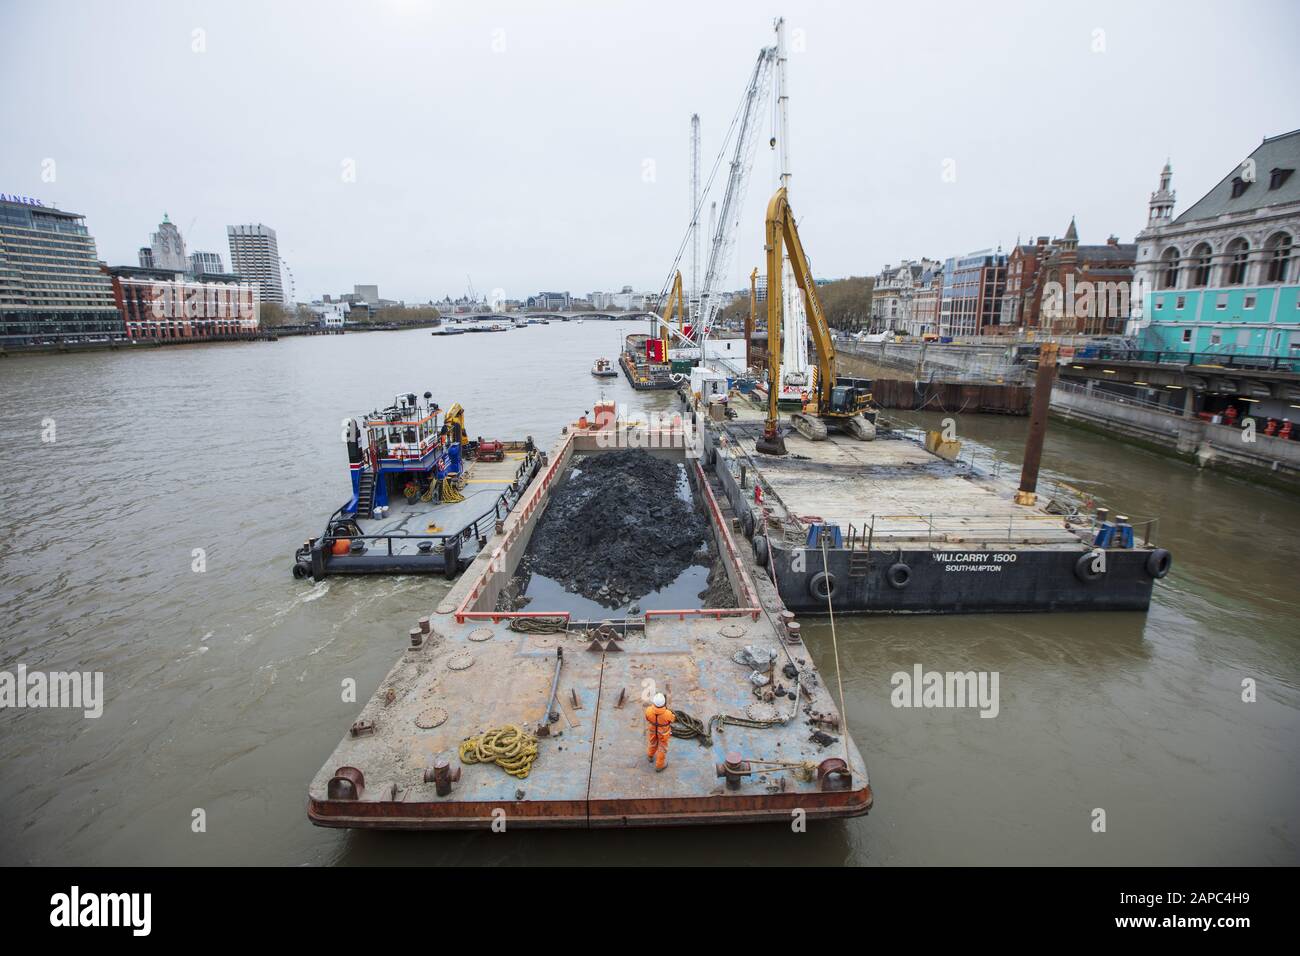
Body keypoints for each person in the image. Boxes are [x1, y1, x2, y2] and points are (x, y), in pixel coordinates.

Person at [644, 692, 674, 772]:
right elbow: (672, 719)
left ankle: (650, 756)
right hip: (663, 734)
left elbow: (647, 718)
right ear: (664, 703)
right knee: (662, 748)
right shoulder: (668, 713)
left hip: (653, 731)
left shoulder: (648, 710)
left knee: (653, 742)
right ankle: (659, 766)